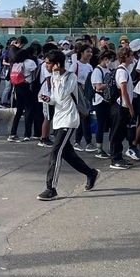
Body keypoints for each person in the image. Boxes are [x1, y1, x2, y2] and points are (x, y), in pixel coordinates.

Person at [37, 49, 100, 201]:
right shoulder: (53, 77)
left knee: (55, 152)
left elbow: (63, 94)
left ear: (57, 64)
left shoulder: (71, 77)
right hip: (59, 119)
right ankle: (91, 173)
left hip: (69, 119)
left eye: (48, 63)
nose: (46, 66)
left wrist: (57, 77)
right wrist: (46, 98)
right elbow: (55, 99)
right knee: (67, 154)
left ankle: (51, 188)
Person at [108, 47, 136, 169]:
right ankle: (115, 159)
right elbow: (124, 91)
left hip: (122, 106)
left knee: (120, 133)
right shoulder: (122, 72)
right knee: (116, 133)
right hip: (120, 106)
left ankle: (119, 156)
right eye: (131, 55)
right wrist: (130, 107)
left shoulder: (125, 70)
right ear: (125, 56)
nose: (133, 57)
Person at [7, 48, 37, 142]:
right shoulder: (30, 62)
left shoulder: (15, 63)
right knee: (29, 110)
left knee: (19, 111)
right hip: (27, 87)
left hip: (17, 87)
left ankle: (13, 133)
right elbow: (36, 74)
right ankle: (27, 134)